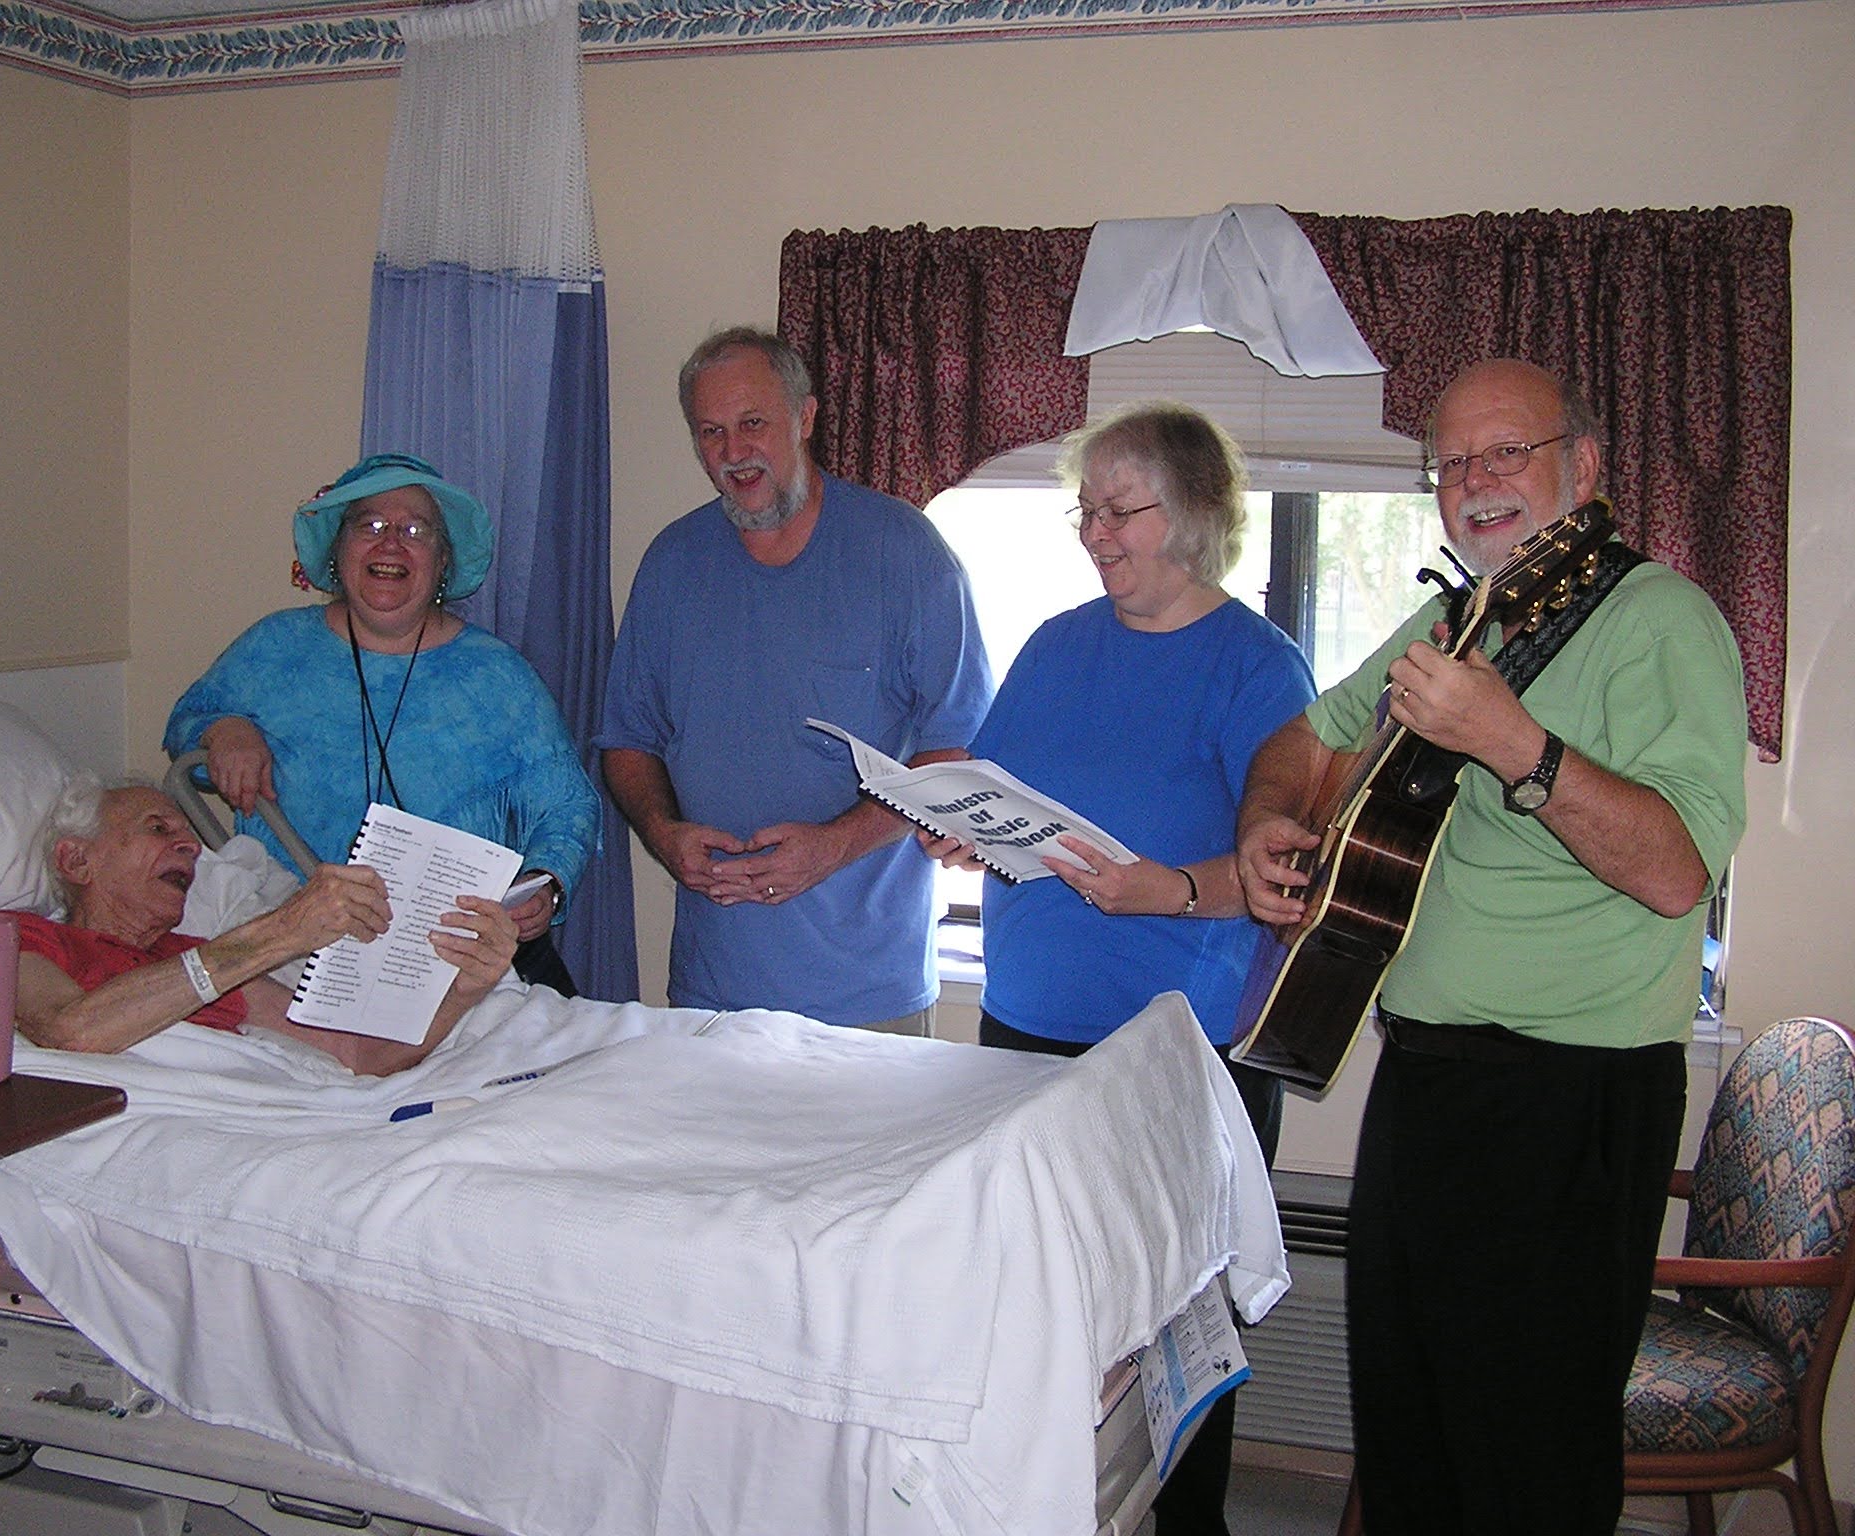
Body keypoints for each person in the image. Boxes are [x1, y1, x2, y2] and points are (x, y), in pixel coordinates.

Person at [1233, 359, 1748, 1534]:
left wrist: (1518, 747)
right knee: (1412, 1436)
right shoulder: (1460, 616)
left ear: (1587, 463)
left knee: (1524, 1464)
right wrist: (1266, 819)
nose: (1475, 484)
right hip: (1426, 1081)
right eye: (1452, 462)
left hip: (1567, 1104)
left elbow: (1676, 871)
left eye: (1505, 451)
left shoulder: (1663, 622)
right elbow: (1304, 744)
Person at [923, 402, 1315, 1534]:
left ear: (1191, 516)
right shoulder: (1054, 644)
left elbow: (1290, 872)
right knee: (1045, 1321)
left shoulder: (1255, 667)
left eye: (1119, 508)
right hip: (1026, 1030)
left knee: (1179, 1327)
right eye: (1084, 507)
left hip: (1175, 1055)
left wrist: (1171, 888)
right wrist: (959, 825)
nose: (1094, 531)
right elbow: (1006, 794)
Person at [598, 327, 993, 1034]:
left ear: (805, 417)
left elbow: (955, 754)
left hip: (869, 996)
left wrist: (833, 847)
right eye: (710, 432)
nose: (732, 451)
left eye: (753, 423)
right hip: (709, 994)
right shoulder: (672, 564)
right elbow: (627, 740)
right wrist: (663, 834)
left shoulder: (904, 554)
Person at [164, 452, 598, 995]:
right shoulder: (273, 649)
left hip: (455, 958)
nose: (390, 543)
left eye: (415, 530)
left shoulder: (498, 676)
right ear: (337, 551)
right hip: (292, 952)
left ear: (442, 562)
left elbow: (569, 805)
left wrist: (547, 883)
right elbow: (188, 725)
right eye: (369, 526)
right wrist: (222, 729)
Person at [14, 779, 517, 1076]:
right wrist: (279, 932)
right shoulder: (20, 939)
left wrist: (463, 991)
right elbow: (70, 1032)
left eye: (190, 836)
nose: (190, 847)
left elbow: (357, 1056)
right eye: (158, 828)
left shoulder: (199, 957)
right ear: (77, 860)